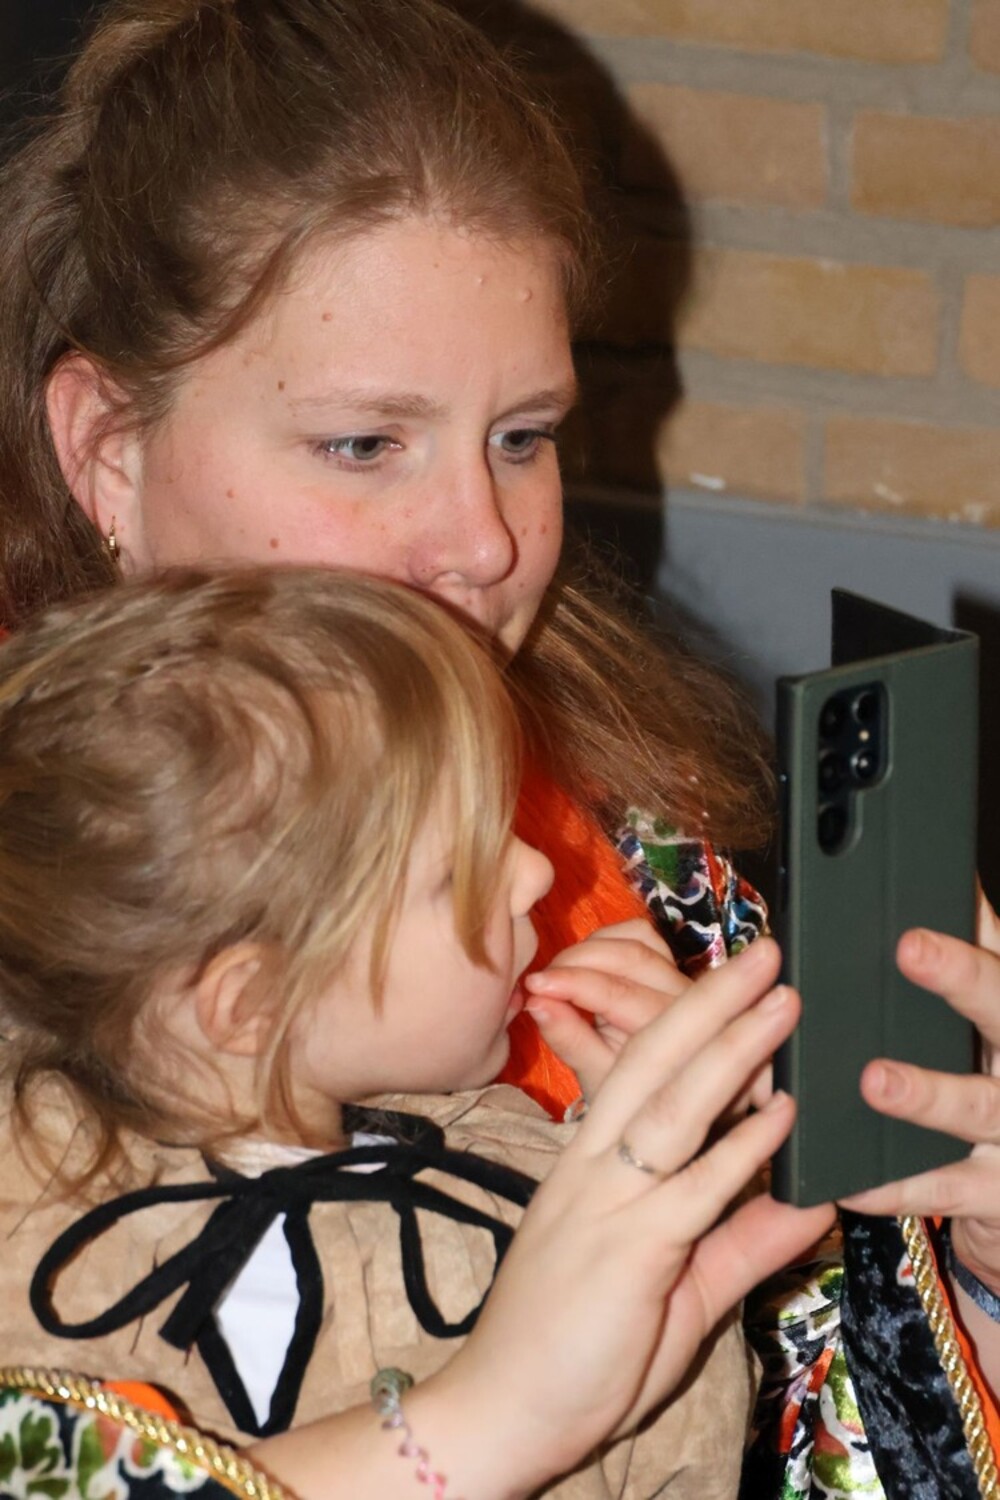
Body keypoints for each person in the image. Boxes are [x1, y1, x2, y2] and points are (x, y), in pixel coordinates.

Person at [0, 0, 999, 1493]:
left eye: (522, 436)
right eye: (365, 444)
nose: (483, 542)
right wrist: (480, 1426)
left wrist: (966, 1261)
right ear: (107, 452)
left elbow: (808, 1442)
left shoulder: (629, 873)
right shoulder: (36, 902)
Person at [0, 564, 830, 1499]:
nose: (532, 874)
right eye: (454, 872)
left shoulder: (502, 1164)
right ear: (252, 1003)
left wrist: (665, 1178)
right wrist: (496, 1407)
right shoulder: (39, 1237)